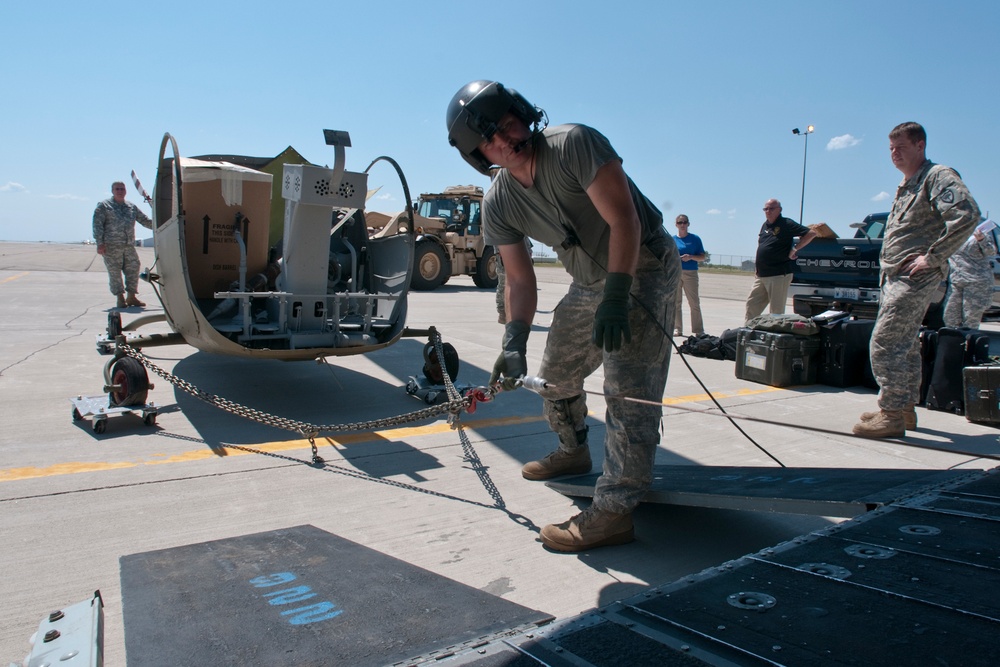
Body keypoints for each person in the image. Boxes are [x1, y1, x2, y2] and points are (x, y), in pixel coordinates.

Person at [447, 80, 680, 552]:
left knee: (628, 392)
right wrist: (513, 340)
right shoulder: (499, 201)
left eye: (506, 124)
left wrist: (617, 297)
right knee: (554, 376)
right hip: (588, 282)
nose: (505, 140)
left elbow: (624, 221)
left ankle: (614, 512)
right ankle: (573, 451)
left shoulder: (574, 143)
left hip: (644, 266)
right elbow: (519, 278)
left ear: (522, 114)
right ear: (479, 153)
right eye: (489, 139)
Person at [854, 122, 981, 438]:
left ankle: (892, 414)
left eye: (902, 147)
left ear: (920, 145)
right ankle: (904, 409)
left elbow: (967, 215)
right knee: (907, 344)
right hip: (895, 277)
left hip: (916, 277)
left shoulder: (936, 176)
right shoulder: (907, 183)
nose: (895, 154)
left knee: (885, 342)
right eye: (891, 149)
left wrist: (933, 257)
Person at [743, 199, 817, 322]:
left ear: (779, 210)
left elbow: (811, 233)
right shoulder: (765, 225)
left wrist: (795, 249)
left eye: (771, 208)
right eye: (765, 209)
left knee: (776, 312)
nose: (768, 211)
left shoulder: (786, 223)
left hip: (778, 275)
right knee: (752, 305)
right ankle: (748, 332)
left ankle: (773, 336)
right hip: (761, 275)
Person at [93, 181, 153, 308]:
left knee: (133, 269)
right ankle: (120, 298)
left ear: (125, 191)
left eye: (122, 189)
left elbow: (145, 221)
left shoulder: (131, 207)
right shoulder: (104, 206)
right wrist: (100, 243)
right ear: (112, 191)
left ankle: (131, 297)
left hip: (128, 246)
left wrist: (162, 224)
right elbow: (97, 225)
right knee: (115, 273)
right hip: (111, 246)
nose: (120, 191)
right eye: (117, 189)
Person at [943, 224, 996, 328]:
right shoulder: (951, 236)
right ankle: (954, 341)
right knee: (950, 316)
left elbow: (992, 252)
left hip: (976, 282)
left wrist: (982, 239)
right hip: (957, 280)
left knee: (971, 318)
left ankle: (970, 342)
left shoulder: (979, 235)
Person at [672, 214, 706, 336]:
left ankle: (698, 330)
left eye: (685, 222)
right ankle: (677, 328)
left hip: (690, 273)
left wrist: (691, 257)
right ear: (676, 224)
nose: (682, 225)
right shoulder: (672, 240)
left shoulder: (695, 239)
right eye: (680, 222)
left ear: (688, 224)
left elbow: (702, 257)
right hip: (676, 273)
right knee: (676, 302)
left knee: (694, 303)